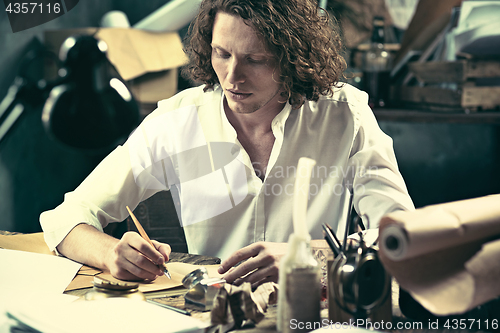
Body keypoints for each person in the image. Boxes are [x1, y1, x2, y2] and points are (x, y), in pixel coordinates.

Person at [40, 0, 414, 288]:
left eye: (255, 59)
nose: (233, 77)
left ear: (292, 58)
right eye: (223, 54)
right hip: (209, 312)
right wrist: (110, 253)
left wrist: (305, 255)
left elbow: (400, 230)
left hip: (309, 309)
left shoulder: (345, 115)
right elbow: (65, 219)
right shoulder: (177, 120)